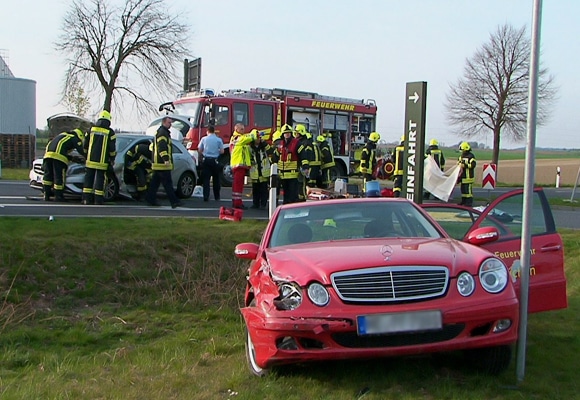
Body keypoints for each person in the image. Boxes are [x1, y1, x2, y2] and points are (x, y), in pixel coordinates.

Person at [145, 115, 182, 208]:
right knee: (167, 183)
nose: (170, 125)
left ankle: (150, 199)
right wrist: (166, 159)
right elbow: (162, 147)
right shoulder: (162, 133)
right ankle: (174, 201)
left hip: (158, 163)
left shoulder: (163, 132)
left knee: (155, 183)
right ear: (164, 122)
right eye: (169, 123)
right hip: (162, 164)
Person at [82, 110, 116, 205]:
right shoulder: (110, 132)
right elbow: (112, 148)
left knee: (88, 179)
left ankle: (86, 200)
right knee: (100, 180)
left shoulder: (91, 130)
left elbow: (85, 144)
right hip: (102, 162)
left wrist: (85, 155)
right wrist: (112, 158)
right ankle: (98, 200)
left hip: (90, 160)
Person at [42, 128, 85, 202]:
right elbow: (81, 150)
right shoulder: (74, 138)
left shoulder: (61, 135)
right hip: (59, 158)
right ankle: (58, 196)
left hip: (47, 156)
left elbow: (59, 148)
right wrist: (88, 157)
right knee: (59, 177)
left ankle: (46, 195)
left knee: (48, 176)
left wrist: (71, 158)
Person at [229, 123, 258, 209]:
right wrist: (255, 133)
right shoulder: (238, 138)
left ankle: (235, 201)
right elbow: (250, 137)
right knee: (238, 186)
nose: (243, 130)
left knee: (236, 185)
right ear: (236, 129)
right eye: (241, 129)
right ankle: (238, 203)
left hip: (238, 166)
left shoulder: (237, 138)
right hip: (238, 165)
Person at [272, 124, 303, 204]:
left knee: (292, 194)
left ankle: (291, 208)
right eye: (285, 133)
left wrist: (305, 167)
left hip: (293, 174)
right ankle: (286, 206)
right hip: (282, 174)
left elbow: (303, 156)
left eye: (288, 132)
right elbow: (275, 157)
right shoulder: (279, 144)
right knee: (285, 194)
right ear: (282, 134)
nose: (287, 134)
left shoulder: (296, 143)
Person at [198, 125, 224, 202]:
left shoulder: (204, 139)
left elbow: (199, 149)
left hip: (206, 160)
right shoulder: (218, 140)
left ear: (207, 131)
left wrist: (204, 153)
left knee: (206, 179)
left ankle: (206, 196)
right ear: (214, 131)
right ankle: (217, 196)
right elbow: (222, 151)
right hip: (215, 161)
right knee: (216, 179)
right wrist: (216, 152)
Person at [249, 131, 272, 209]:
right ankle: (255, 204)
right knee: (255, 190)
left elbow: (271, 152)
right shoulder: (250, 147)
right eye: (257, 138)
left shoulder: (264, 146)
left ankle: (263, 204)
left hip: (263, 172)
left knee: (264, 190)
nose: (258, 139)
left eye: (259, 138)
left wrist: (264, 143)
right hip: (255, 172)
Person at [293, 124, 313, 201]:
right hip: (299, 166)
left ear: (301, 133)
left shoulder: (306, 143)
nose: (295, 135)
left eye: (296, 133)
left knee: (302, 183)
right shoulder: (299, 142)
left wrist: (305, 167)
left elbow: (308, 156)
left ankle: (303, 199)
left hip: (304, 166)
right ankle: (299, 197)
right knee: (298, 183)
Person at [457, 141, 476, 206]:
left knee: (468, 192)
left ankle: (469, 203)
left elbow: (473, 165)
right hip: (462, 177)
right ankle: (463, 201)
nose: (462, 152)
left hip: (468, 177)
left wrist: (465, 165)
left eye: (462, 150)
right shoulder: (461, 157)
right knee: (463, 191)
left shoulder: (471, 156)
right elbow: (458, 164)